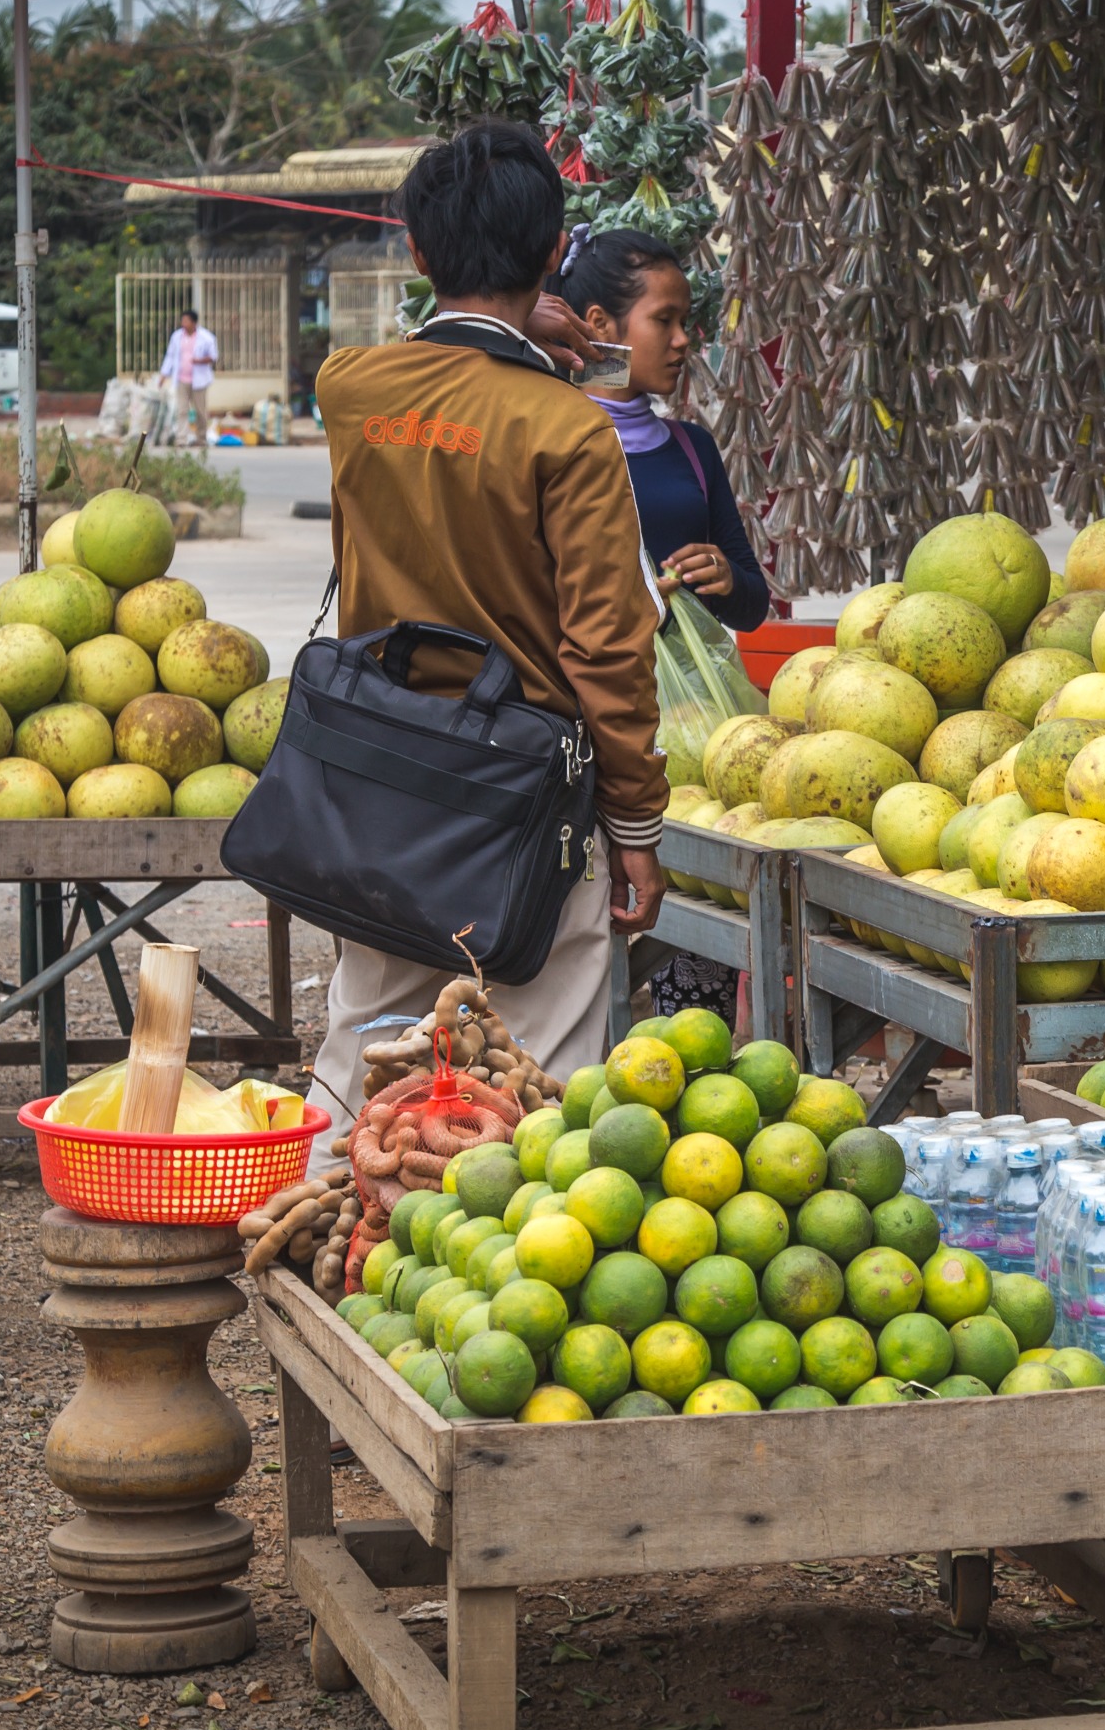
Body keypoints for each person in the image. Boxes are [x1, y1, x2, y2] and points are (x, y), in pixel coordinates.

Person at [302, 122, 670, 1129]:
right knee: (535, 1072)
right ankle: (491, 1255)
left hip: (376, 781)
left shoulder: (349, 388)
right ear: (555, 253)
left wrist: (521, 319)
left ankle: (314, 1243)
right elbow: (608, 650)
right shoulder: (569, 429)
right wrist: (635, 825)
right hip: (525, 804)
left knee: (365, 1036)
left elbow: (444, 373)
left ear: (416, 255)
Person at [546, 228, 774, 1025]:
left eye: (687, 323)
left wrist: (723, 577)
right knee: (573, 954)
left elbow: (752, 601)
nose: (683, 342)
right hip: (578, 729)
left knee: (692, 942)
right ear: (602, 324)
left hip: (683, 738)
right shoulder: (550, 438)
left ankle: (692, 1084)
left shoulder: (689, 448)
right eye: (665, 321)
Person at [158, 308, 217, 446]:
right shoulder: (177, 336)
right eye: (182, 320)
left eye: (186, 321)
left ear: (194, 322)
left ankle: (201, 439)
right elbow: (170, 357)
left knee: (200, 412)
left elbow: (213, 356)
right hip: (182, 379)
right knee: (182, 410)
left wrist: (199, 361)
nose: (183, 323)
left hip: (199, 381)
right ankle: (181, 439)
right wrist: (163, 375)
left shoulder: (206, 337)